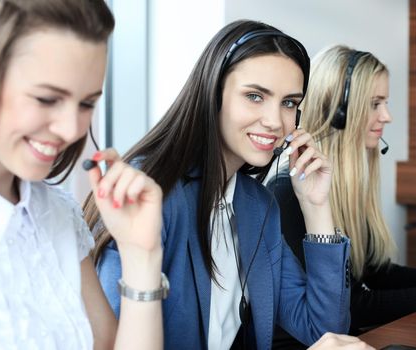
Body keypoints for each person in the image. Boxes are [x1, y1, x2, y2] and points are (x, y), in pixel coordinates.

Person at [86, 20, 353, 350]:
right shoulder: (149, 197)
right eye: (255, 96)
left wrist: (316, 206)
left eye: (289, 103)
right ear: (213, 95)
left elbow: (325, 331)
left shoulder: (257, 205)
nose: (275, 120)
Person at [0, 1, 164, 349]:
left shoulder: (56, 212)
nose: (71, 128)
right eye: (46, 99)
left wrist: (141, 255)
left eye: (87, 103)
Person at [267, 44, 416, 348]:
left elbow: (376, 271)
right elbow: (352, 306)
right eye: (375, 103)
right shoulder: (289, 190)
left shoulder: (346, 183)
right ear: (340, 110)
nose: (387, 116)